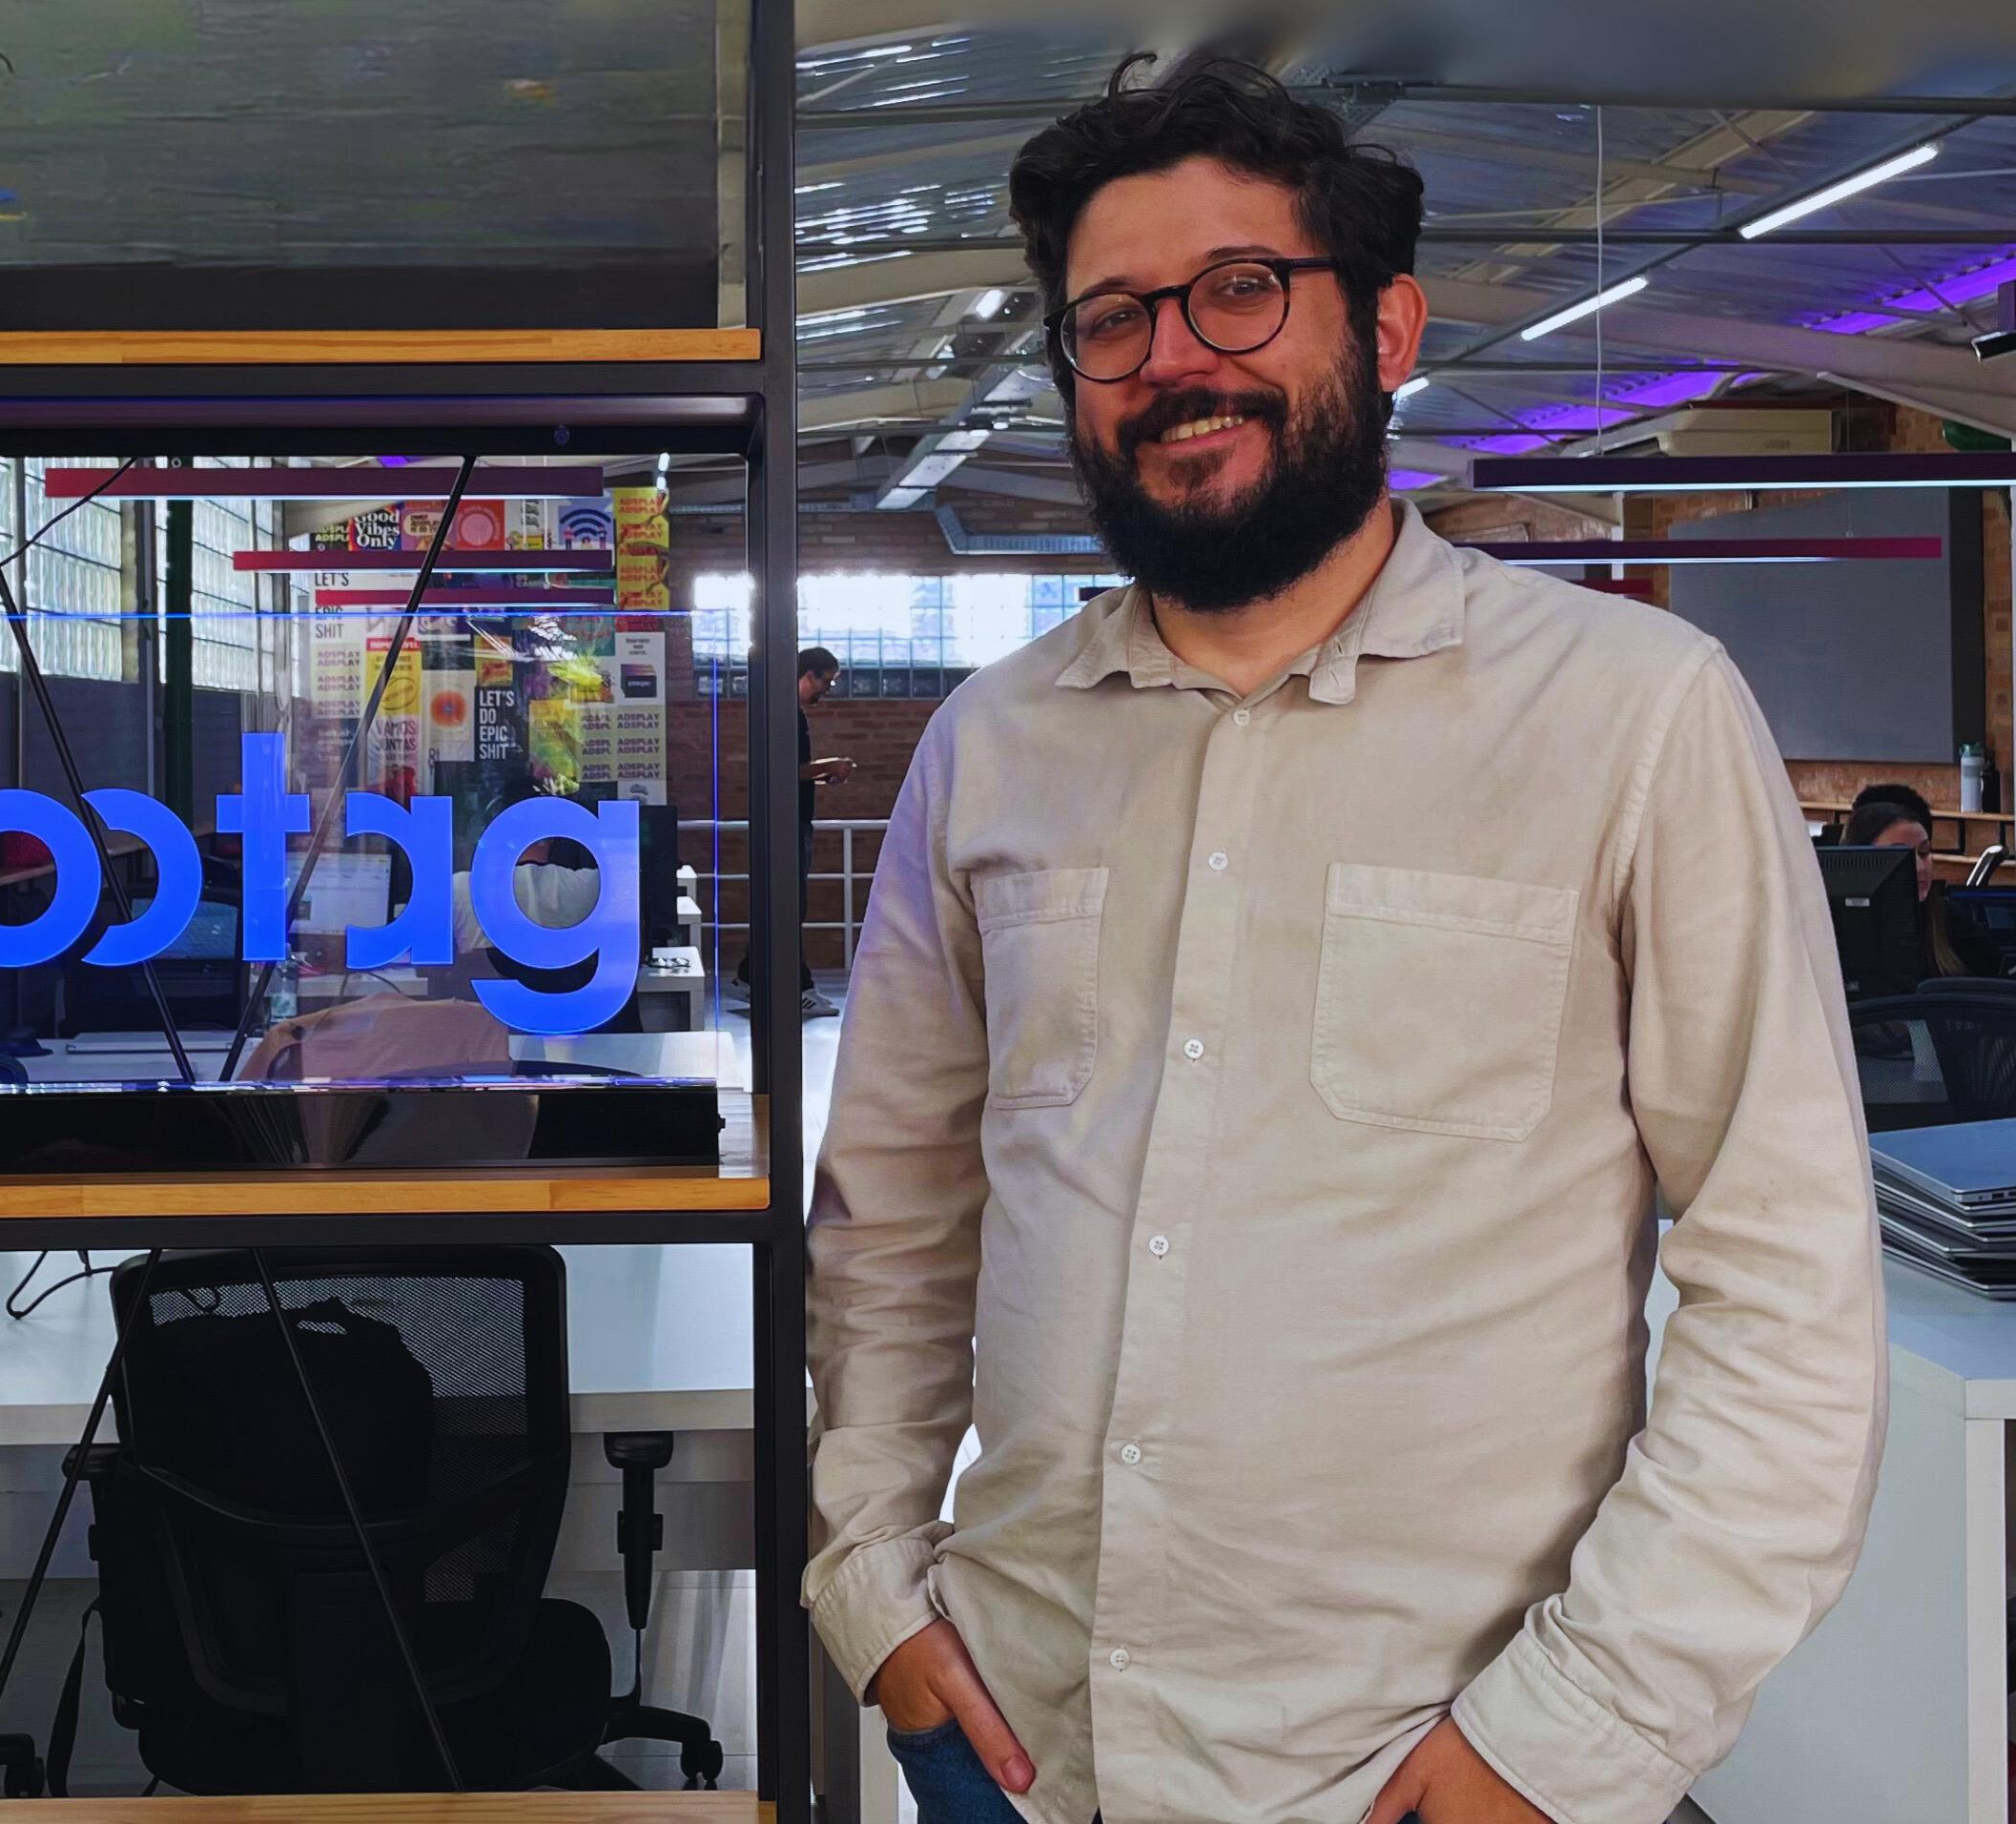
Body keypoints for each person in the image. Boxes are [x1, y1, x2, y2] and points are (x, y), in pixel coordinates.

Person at [805, 55, 1882, 1824]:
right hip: (1021, 1738)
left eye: (1240, 289)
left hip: (1424, 1762)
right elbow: (898, 1217)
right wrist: (872, 1578)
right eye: (1113, 318)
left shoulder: (1630, 714)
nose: (1174, 359)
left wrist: (1577, 1732)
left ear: (1385, 329)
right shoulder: (991, 743)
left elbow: (1790, 1281)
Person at [735, 646, 854, 1018]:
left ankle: (750, 974)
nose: (827, 690)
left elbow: (786, 773)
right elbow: (787, 768)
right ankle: (798, 987)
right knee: (790, 906)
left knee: (783, 906)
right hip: (789, 826)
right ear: (808, 675)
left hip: (788, 821)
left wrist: (821, 775)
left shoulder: (779, 712)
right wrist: (830, 765)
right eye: (827, 681)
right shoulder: (787, 715)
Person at [1842, 797, 2005, 978]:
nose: (1920, 867)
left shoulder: (1946, 919)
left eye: (1924, 852)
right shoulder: (1836, 926)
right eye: (1900, 855)